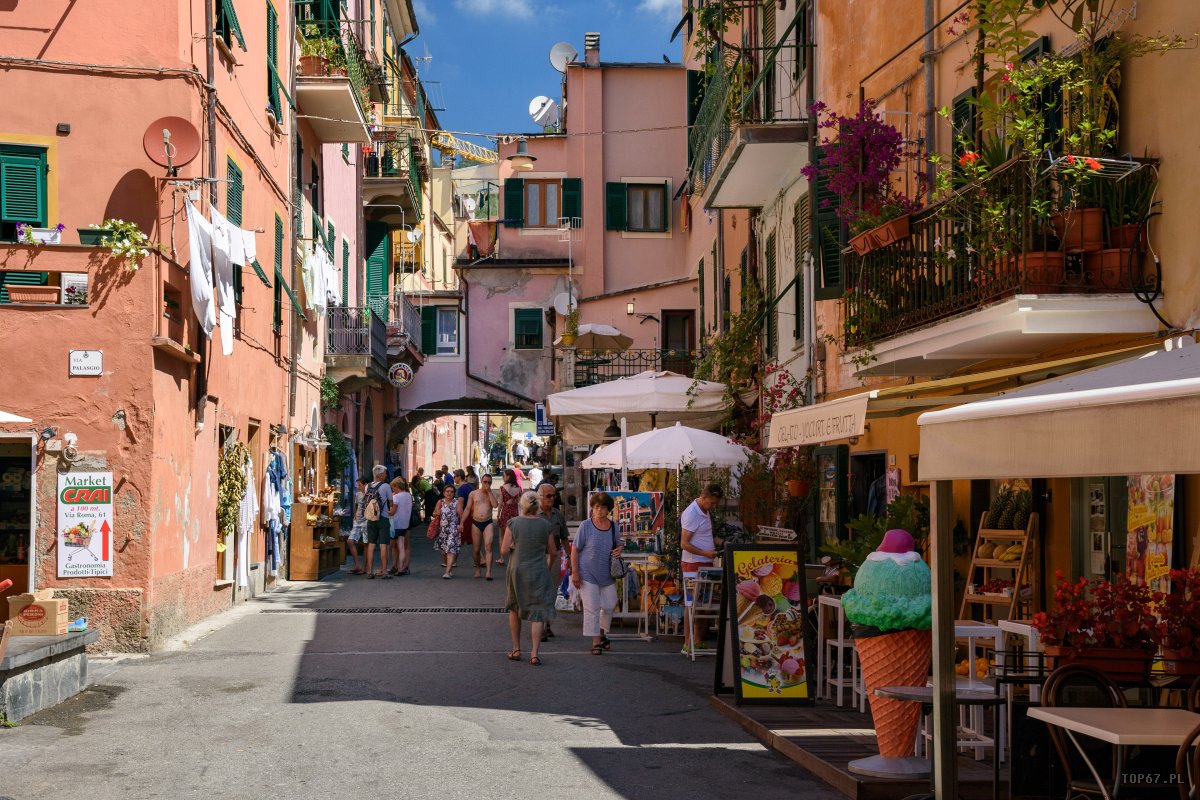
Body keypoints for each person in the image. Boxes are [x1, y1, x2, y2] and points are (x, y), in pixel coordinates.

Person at [502, 491, 557, 666]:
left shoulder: (513, 523)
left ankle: (517, 649)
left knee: (514, 608)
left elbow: (503, 550)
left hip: (517, 569)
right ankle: (534, 654)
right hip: (539, 569)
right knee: (538, 611)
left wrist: (515, 546)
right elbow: (553, 552)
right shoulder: (545, 524)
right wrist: (547, 564)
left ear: (522, 505)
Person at [571, 492, 623, 656]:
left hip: (607, 573)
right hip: (587, 573)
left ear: (608, 509)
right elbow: (575, 549)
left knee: (609, 604)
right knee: (592, 608)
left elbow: (620, 544)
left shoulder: (613, 526)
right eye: (596, 507)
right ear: (592, 508)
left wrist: (619, 549)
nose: (599, 510)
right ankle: (596, 642)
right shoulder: (586, 526)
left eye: (602, 507)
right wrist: (575, 573)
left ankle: (601, 633)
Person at [681, 483, 724, 650]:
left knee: (704, 603)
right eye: (712, 503)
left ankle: (697, 640)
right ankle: (687, 641)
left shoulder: (704, 511)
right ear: (703, 497)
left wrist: (721, 543)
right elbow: (684, 543)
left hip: (705, 562)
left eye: (715, 504)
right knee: (692, 602)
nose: (713, 507)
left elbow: (706, 535)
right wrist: (705, 553)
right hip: (694, 563)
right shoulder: (692, 513)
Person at [538, 482, 569, 640]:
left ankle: (547, 624)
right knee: (541, 592)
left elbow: (564, 537)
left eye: (554, 495)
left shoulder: (558, 515)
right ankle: (541, 627)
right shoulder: (534, 514)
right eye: (549, 496)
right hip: (538, 557)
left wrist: (570, 557)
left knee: (551, 592)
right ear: (540, 497)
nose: (552, 498)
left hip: (554, 557)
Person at [364, 465, 396, 579]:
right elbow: (391, 503)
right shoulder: (386, 486)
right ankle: (384, 571)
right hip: (383, 518)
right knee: (383, 545)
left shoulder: (367, 486)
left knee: (371, 545)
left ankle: (370, 572)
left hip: (371, 519)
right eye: (385, 473)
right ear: (380, 475)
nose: (386, 475)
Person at [465, 473, 498, 579]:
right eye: (485, 482)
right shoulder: (473, 494)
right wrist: (461, 522)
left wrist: (489, 492)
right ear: (481, 482)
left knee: (488, 546)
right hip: (476, 522)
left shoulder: (493, 493)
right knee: (476, 549)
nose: (487, 484)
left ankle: (488, 572)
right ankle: (478, 569)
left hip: (488, 522)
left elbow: (495, 505)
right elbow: (467, 508)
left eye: (489, 482)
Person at [428, 483, 462, 579]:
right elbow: (434, 513)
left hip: (453, 529)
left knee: (450, 549)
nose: (449, 493)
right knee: (444, 551)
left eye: (451, 492)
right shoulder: (440, 502)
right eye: (447, 491)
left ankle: (447, 572)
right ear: (444, 493)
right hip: (442, 530)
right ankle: (449, 568)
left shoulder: (457, 502)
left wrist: (461, 525)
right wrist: (437, 513)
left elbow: (461, 515)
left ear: (454, 493)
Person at [495, 469, 521, 567]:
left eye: (504, 475)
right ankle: (513, 558)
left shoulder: (502, 488)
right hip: (515, 512)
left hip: (505, 512)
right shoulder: (518, 488)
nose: (503, 477)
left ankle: (502, 558)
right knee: (514, 536)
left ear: (508, 476)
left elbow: (500, 503)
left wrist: (498, 515)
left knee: (502, 535)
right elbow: (520, 501)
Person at [389, 476, 413, 576]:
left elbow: (392, 512)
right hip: (405, 524)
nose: (392, 489)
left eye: (393, 487)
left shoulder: (396, 497)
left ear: (396, 486)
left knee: (393, 546)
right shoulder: (408, 495)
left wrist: (385, 512)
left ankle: (396, 567)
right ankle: (401, 568)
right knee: (402, 546)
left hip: (396, 524)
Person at [346, 476, 368, 575]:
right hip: (357, 521)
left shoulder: (370, 494)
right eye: (357, 485)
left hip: (366, 521)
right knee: (350, 541)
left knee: (365, 544)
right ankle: (357, 565)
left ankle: (364, 567)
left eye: (360, 485)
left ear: (365, 485)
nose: (358, 487)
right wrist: (355, 515)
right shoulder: (358, 494)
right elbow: (356, 505)